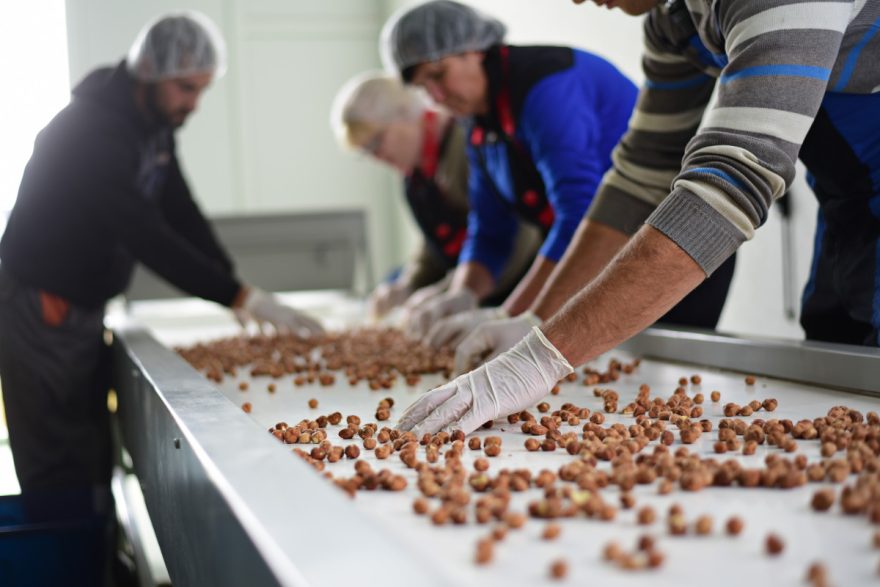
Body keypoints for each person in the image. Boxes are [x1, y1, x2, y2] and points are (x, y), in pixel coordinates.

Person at [398, 0, 880, 436]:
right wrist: (532, 319)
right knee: (839, 344)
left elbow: (730, 183)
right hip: (851, 193)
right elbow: (636, 181)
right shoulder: (673, 22)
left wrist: (540, 359)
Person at [0, 12, 321, 498]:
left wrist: (232, 281)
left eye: (201, 90)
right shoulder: (92, 130)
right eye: (185, 89)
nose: (193, 104)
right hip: (41, 306)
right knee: (59, 459)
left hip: (78, 306)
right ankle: (70, 558)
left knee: (88, 450)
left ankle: (104, 560)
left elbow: (179, 210)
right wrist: (237, 296)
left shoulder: (150, 123)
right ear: (149, 73)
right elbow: (143, 232)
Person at [381, 0, 735, 352]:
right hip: (596, 262)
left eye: (438, 75)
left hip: (673, 248)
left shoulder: (546, 86)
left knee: (658, 382)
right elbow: (490, 229)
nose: (437, 95)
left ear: (472, 49)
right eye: (425, 88)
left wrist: (515, 315)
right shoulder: (479, 124)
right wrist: (462, 294)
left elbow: (579, 214)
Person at [331, 72, 539, 319]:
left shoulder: (467, 146)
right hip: (469, 286)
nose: (377, 157)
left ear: (404, 113)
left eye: (376, 142)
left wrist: (453, 291)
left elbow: (513, 238)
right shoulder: (415, 178)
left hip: (517, 288)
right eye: (366, 152)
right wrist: (409, 284)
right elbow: (433, 242)